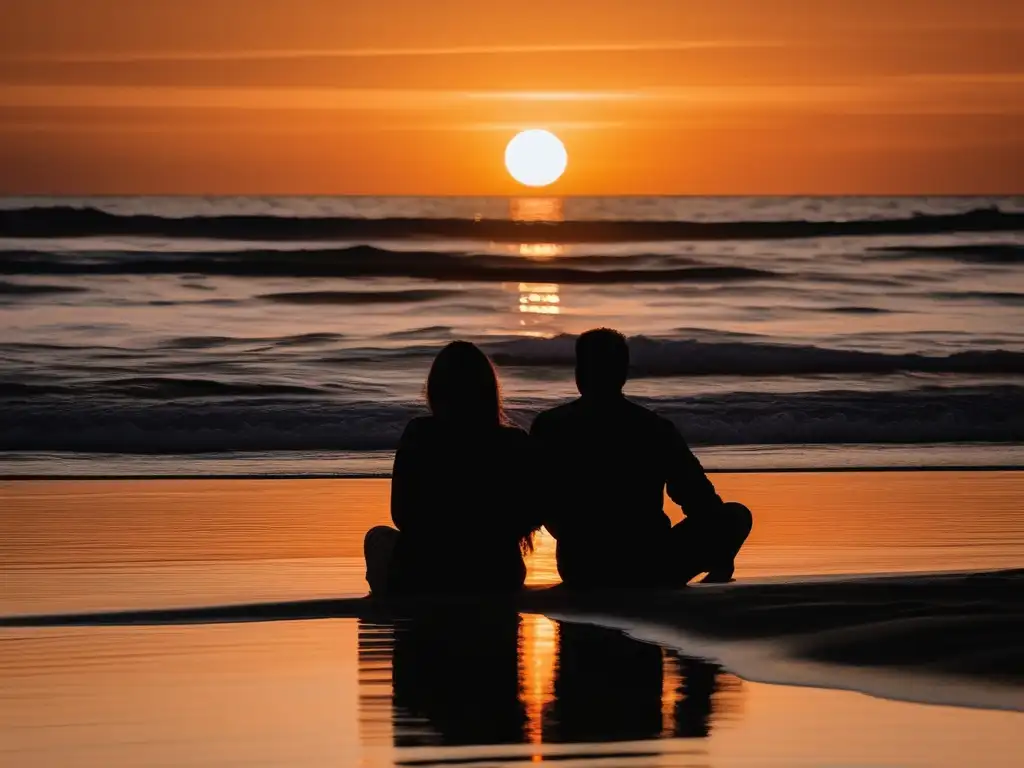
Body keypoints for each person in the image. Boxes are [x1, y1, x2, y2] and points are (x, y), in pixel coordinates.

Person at [530, 328, 752, 588]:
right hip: (652, 565)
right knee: (735, 516)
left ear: (579, 373)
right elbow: (699, 498)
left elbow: (535, 500)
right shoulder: (654, 427)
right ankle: (716, 576)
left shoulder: (550, 426)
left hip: (581, 566)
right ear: (623, 373)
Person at [364, 341, 541, 596]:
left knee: (377, 537)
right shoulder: (513, 440)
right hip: (498, 574)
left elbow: (401, 516)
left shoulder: (420, 433)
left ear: (436, 390)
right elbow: (532, 515)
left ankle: (393, 602)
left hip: (428, 573)